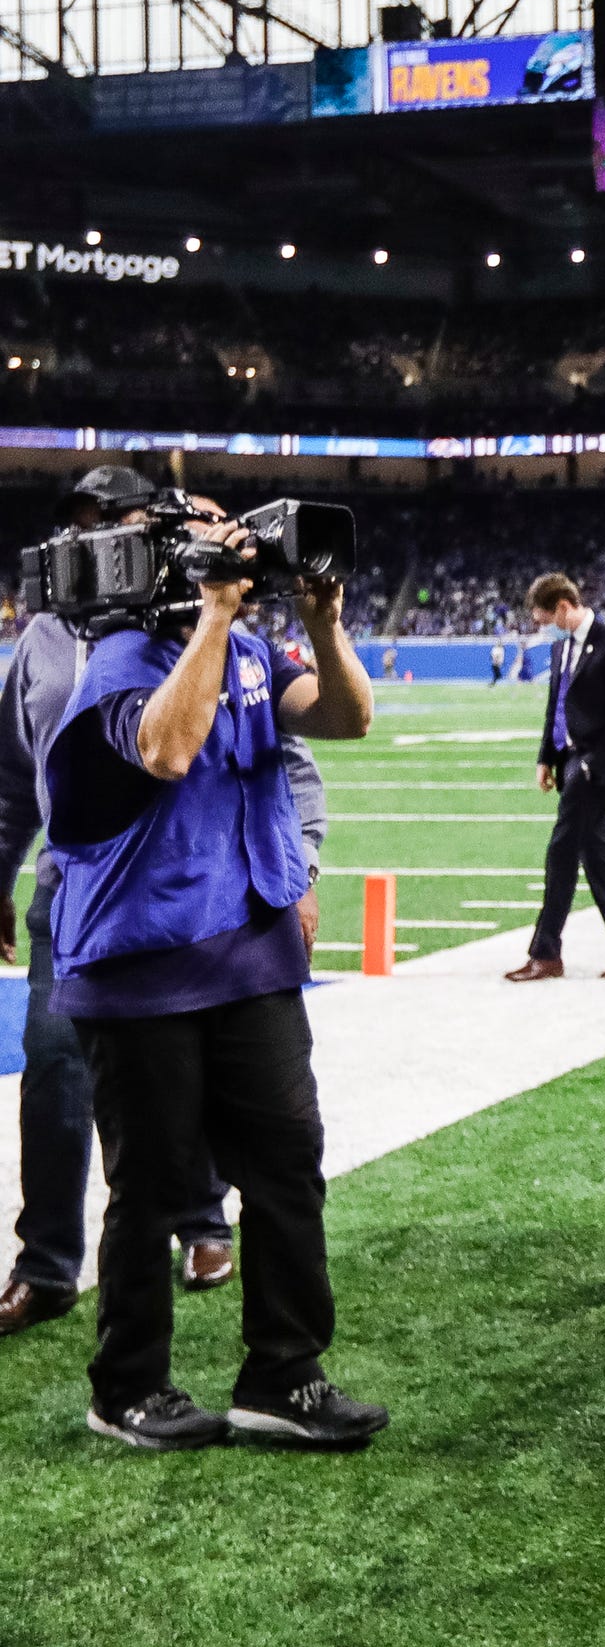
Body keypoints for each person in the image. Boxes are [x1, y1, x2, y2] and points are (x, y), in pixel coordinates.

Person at [45, 509, 384, 1452]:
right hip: (143, 957)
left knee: (287, 1162)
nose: (238, 544)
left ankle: (284, 1373)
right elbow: (166, 749)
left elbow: (349, 717)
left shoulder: (253, 647)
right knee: (151, 1187)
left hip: (252, 945)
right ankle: (128, 1387)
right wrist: (213, 615)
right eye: (211, 533)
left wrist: (322, 620)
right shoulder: (118, 655)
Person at [0, 472, 331, 1338]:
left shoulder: (212, 636)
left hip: (200, 900)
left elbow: (292, 756)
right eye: (86, 524)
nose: (99, 538)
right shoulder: (47, 641)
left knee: (206, 1095)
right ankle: (49, 1267)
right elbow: (15, 776)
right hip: (77, 898)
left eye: (114, 522)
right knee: (61, 1078)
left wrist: (302, 870)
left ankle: (206, 1229)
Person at [508, 574, 605, 982]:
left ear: (565, 606)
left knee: (561, 854)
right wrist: (545, 759)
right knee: (596, 859)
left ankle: (546, 952)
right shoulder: (560, 648)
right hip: (570, 763)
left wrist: (591, 765)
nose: (544, 626)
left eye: (545, 617)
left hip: (594, 768)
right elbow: (556, 708)